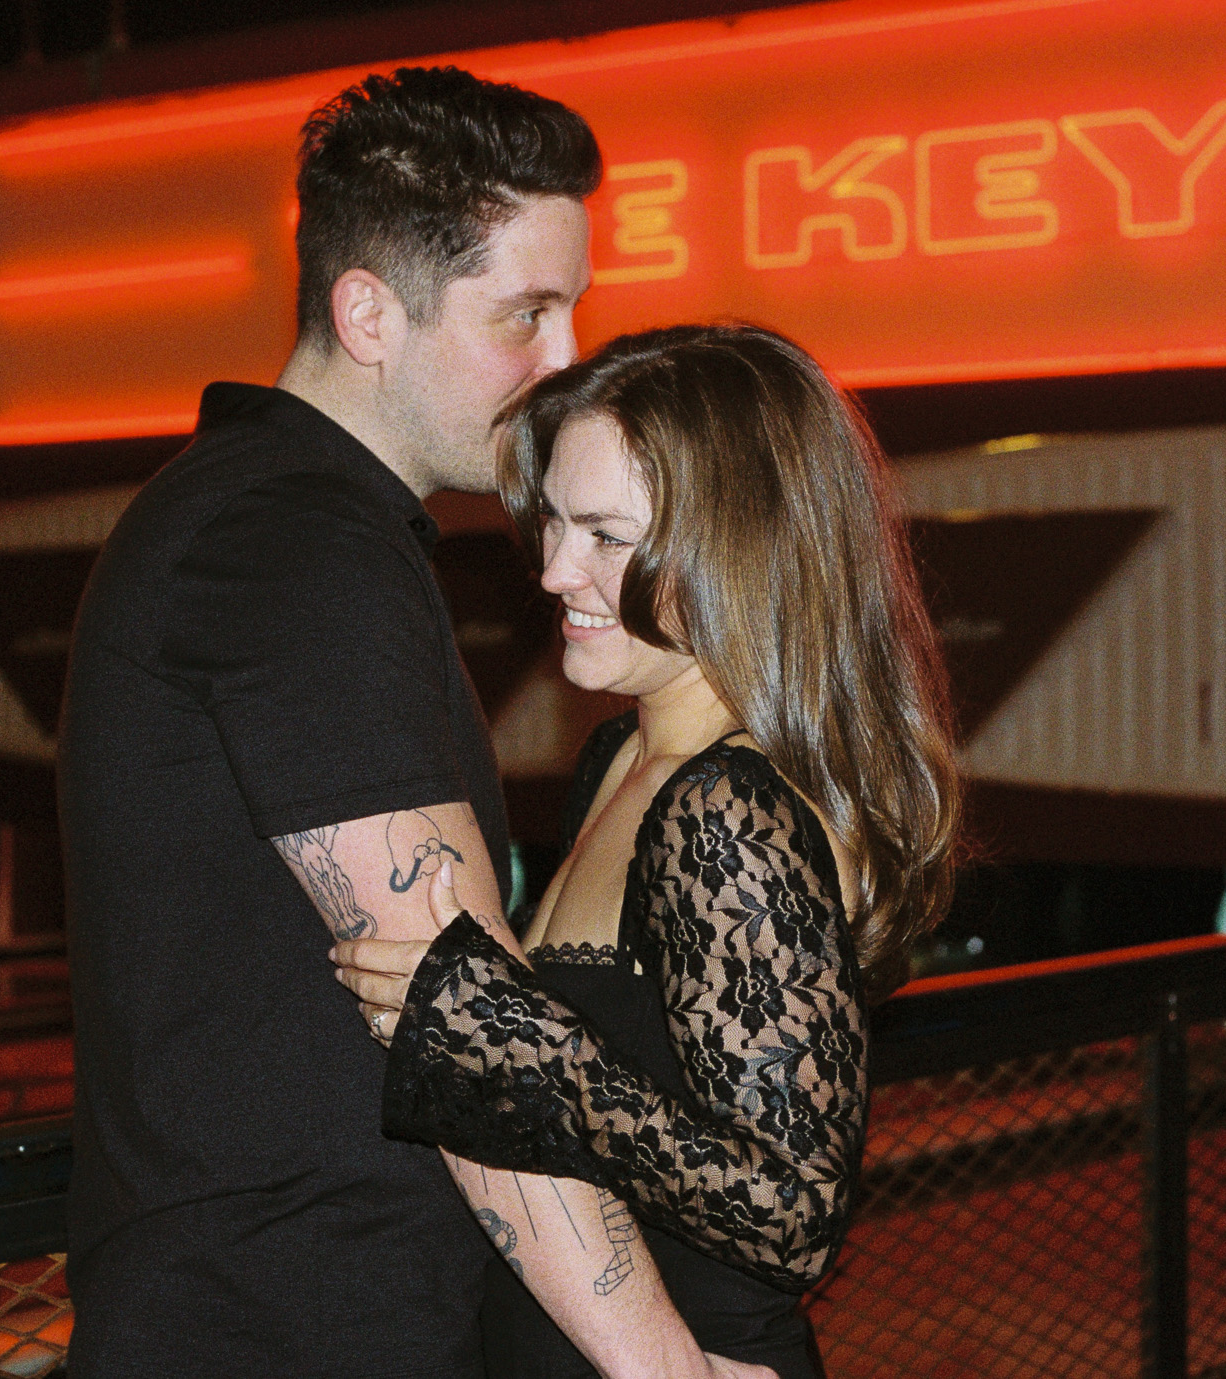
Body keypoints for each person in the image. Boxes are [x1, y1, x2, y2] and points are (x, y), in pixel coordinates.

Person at [59, 68, 760, 1379]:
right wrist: (666, 1364)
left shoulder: (279, 522)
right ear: (369, 310)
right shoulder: (294, 543)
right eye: (527, 316)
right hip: (278, 1328)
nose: (567, 365)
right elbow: (462, 1019)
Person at [331, 324, 964, 1378]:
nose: (551, 569)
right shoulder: (624, 755)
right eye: (551, 522)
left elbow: (789, 1212)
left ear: (739, 550)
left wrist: (513, 1035)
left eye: (605, 535)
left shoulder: (727, 809)